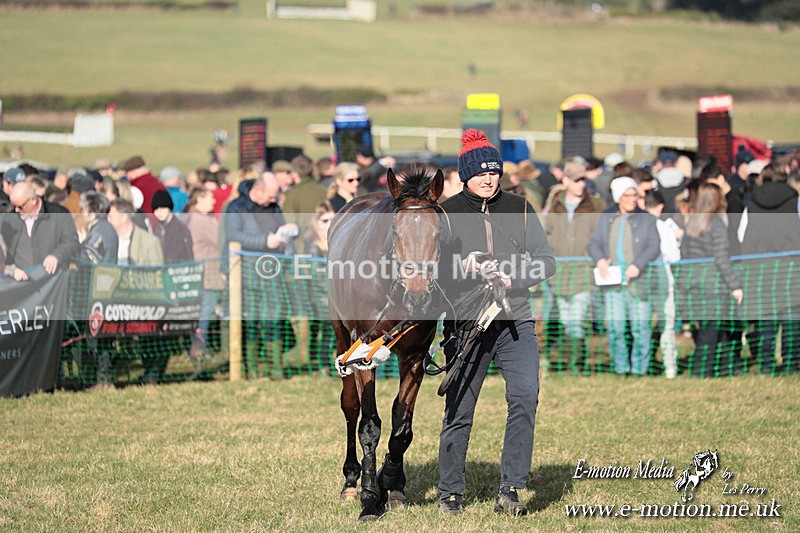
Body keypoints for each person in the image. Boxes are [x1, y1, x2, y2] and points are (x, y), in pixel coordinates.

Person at [437, 129, 556, 516]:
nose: (489, 179)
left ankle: (511, 489)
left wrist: (512, 277)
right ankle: (450, 492)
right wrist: (464, 266)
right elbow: (431, 273)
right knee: (459, 409)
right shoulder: (446, 214)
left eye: (494, 172)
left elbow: (546, 261)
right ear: (465, 175)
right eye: (481, 173)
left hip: (514, 320)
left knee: (524, 397)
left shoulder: (520, 207)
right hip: (466, 324)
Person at [588, 176, 660, 376]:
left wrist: (638, 265)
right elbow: (594, 243)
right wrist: (600, 259)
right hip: (613, 284)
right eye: (628, 195)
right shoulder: (607, 218)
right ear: (619, 197)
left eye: (635, 194)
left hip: (639, 282)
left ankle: (640, 369)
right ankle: (621, 368)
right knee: (615, 328)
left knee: (641, 328)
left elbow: (654, 245)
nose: (633, 198)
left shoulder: (647, 219)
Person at [543, 156, 605, 374]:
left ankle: (577, 364)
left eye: (583, 180)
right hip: (559, 274)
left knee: (577, 319)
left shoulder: (595, 206)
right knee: (566, 319)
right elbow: (545, 234)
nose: (581, 184)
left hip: (582, 273)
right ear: (567, 181)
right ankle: (565, 361)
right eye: (577, 180)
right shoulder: (555, 206)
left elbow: (602, 236)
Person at [681, 183, 744, 377]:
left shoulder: (692, 223)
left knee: (717, 328)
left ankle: (728, 367)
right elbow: (721, 258)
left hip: (694, 285)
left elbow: (684, 255)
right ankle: (701, 372)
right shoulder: (715, 223)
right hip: (712, 286)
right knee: (710, 332)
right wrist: (735, 286)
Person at [3, 182, 79, 281]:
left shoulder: (59, 214)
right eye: (14, 206)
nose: (16, 210)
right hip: (20, 282)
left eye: (20, 206)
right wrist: (10, 270)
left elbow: (72, 242)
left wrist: (56, 256)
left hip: (51, 281)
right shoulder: (9, 218)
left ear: (33, 201)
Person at [643, 190, 682, 378]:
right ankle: (670, 366)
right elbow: (675, 257)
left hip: (641, 280)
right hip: (663, 280)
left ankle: (644, 364)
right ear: (660, 206)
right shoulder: (664, 228)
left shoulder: (637, 226)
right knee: (667, 324)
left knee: (641, 324)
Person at [183, 188, 224, 360]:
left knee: (198, 313)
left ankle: (195, 347)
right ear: (199, 199)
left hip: (195, 274)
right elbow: (221, 240)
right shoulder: (201, 221)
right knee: (205, 313)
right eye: (210, 198)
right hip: (208, 274)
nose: (214, 202)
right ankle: (199, 348)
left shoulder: (188, 217)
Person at [151, 190, 194, 263]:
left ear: (169, 207)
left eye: (163, 208)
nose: (159, 212)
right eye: (156, 209)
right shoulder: (158, 228)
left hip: (178, 270)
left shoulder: (180, 229)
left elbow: (188, 254)